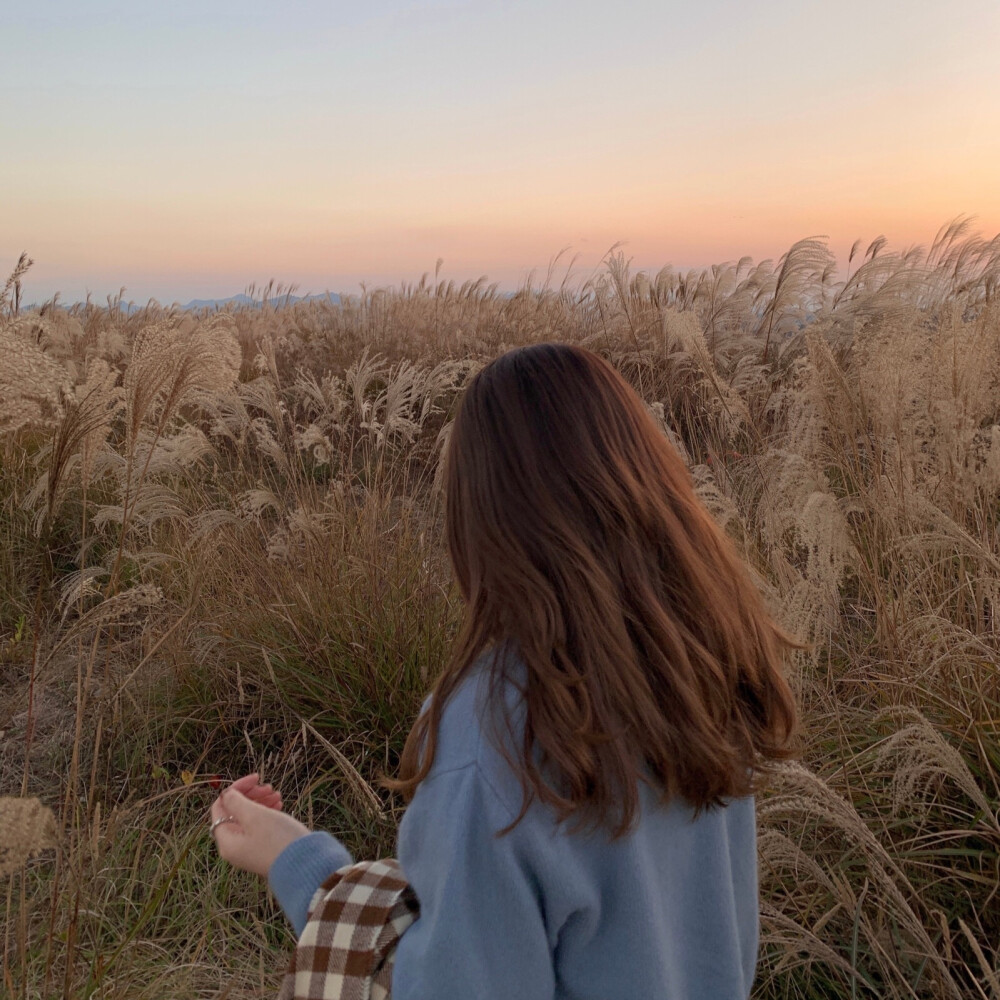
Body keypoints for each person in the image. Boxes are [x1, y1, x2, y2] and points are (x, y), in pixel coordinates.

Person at [210, 342, 803, 999]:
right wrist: (296, 860)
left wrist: (299, 874)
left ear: (481, 511)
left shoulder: (495, 729)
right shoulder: (702, 668)